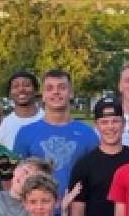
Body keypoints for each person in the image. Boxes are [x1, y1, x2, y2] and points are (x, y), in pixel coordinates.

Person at [12, 69, 99, 203]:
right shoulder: (25, 133)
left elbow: (94, 178)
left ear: (71, 93)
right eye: (50, 88)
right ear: (43, 95)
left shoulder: (88, 134)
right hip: (37, 212)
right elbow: (17, 180)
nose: (56, 92)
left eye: (62, 87)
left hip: (77, 211)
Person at [0, 71, 44, 149]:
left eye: (26, 85)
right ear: (9, 94)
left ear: (36, 90)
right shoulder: (4, 126)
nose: (21, 89)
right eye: (15, 86)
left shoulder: (49, 120)